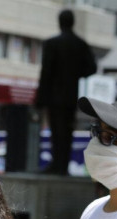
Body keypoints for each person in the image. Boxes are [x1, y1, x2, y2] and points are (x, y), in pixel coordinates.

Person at [35, 9, 97, 175]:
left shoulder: (52, 43)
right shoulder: (80, 44)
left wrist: (40, 98)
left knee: (57, 131)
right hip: (70, 96)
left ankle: (57, 165)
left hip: (54, 96)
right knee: (67, 131)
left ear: (60, 22)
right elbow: (92, 67)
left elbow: (46, 73)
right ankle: (62, 165)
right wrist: (76, 73)